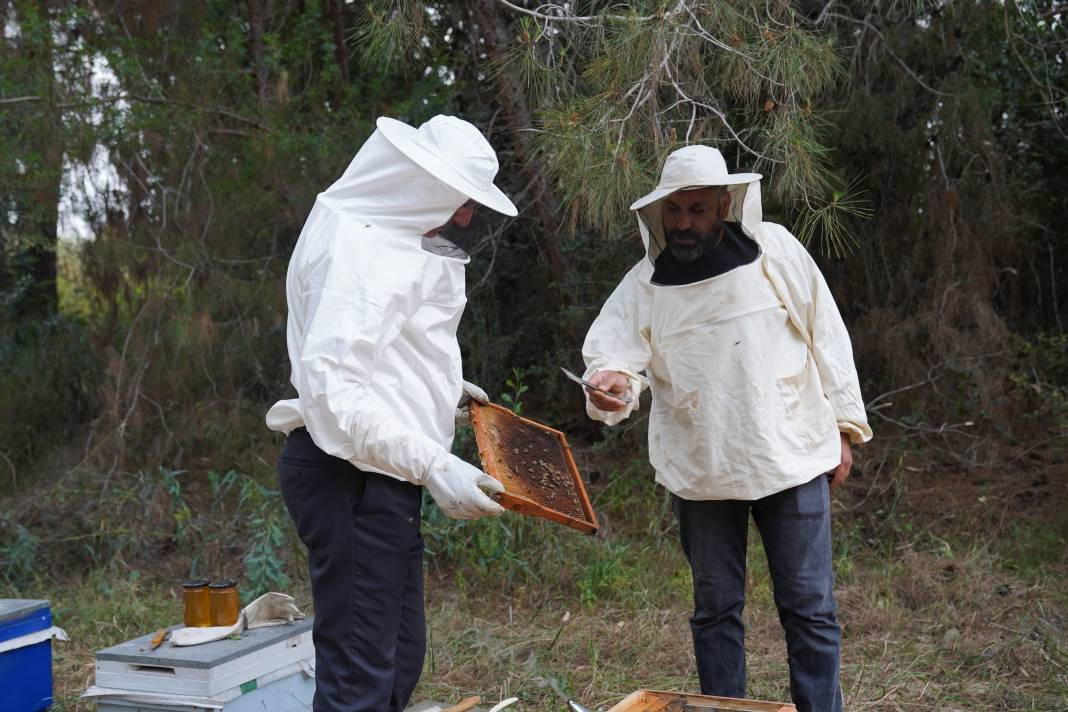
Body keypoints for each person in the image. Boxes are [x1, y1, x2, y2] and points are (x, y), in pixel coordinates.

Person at [581, 145, 872, 712]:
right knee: (715, 611)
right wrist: (611, 384)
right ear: (660, 213)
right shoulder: (645, 283)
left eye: (698, 210)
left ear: (723, 205)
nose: (685, 223)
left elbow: (827, 334)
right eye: (676, 212)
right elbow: (612, 356)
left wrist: (844, 425)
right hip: (702, 467)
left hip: (789, 453)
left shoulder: (776, 251)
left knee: (810, 607)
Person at [265, 115, 517, 712]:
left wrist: (441, 395)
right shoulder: (361, 248)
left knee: (397, 660)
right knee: (360, 681)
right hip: (348, 476)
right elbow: (334, 394)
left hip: (377, 478)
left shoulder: (386, 237)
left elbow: (384, 355)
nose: (464, 217)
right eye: (460, 200)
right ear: (422, 182)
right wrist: (434, 462)